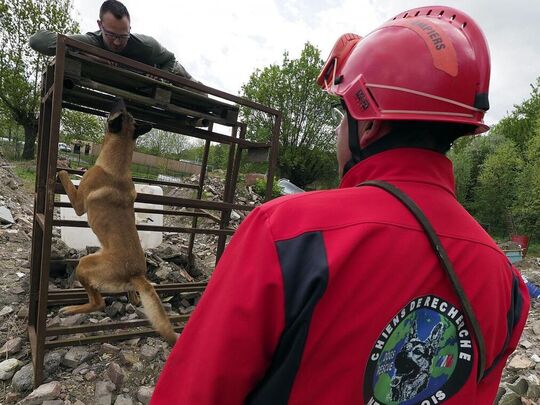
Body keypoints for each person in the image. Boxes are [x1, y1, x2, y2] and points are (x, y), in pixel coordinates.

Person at [151, 6, 529, 404]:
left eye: (340, 114)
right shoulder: (506, 282)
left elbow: (191, 393)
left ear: (367, 124)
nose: (336, 132)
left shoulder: (286, 234)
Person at [29, 0, 194, 79]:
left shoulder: (147, 45)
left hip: (173, 70)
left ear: (130, 29)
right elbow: (37, 40)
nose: (117, 42)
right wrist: (87, 53)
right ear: (100, 25)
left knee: (200, 92)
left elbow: (170, 59)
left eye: (123, 37)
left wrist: (160, 76)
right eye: (111, 36)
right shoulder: (92, 41)